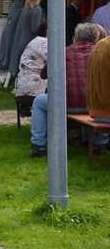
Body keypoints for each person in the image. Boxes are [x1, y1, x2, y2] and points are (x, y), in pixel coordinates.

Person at [30, 23, 106, 157]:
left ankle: (39, 145)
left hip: (66, 103)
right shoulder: (100, 53)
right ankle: (99, 143)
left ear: (75, 37)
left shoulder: (62, 52)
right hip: (93, 105)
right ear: (96, 39)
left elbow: (43, 75)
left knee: (38, 102)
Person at [10, 0, 44, 77]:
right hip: (31, 44)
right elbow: (34, 28)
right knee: (32, 73)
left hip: (22, 42)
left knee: (23, 72)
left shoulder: (26, 9)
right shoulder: (37, 10)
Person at [14, 19, 48, 98]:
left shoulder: (35, 41)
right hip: (37, 89)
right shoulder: (45, 42)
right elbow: (58, 62)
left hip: (22, 87)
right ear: (48, 31)